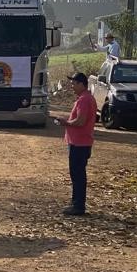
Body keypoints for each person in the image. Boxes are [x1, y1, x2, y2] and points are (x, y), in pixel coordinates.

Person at [52, 72, 97, 216]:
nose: (72, 86)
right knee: (77, 174)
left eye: (74, 84)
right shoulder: (86, 98)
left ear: (81, 84)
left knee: (77, 175)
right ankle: (76, 203)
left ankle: (78, 206)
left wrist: (65, 122)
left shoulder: (84, 100)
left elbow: (80, 121)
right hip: (81, 142)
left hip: (79, 143)